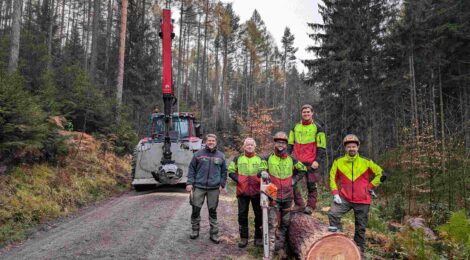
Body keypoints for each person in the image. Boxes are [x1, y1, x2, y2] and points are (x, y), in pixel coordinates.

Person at [328, 134, 385, 253]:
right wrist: (335, 193)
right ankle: (340, 242)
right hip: (344, 198)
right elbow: (332, 178)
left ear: (358, 147)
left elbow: (381, 174)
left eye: (353, 146)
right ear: (345, 148)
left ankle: (359, 252)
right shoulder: (338, 162)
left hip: (363, 200)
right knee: (333, 214)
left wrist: (370, 186)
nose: (351, 149)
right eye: (349, 147)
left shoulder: (366, 162)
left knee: (360, 228)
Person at [260, 131, 307, 258]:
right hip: (272, 195)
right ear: (274, 143)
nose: (280, 144)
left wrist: (294, 180)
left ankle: (279, 248)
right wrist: (263, 172)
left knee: (285, 224)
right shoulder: (267, 158)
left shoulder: (292, 159)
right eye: (278, 142)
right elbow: (262, 168)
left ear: (286, 145)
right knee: (272, 224)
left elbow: (303, 169)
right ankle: (268, 252)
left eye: (283, 142)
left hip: (287, 195)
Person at [186, 134, 228, 244]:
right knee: (196, 209)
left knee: (212, 211)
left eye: (213, 140)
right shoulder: (198, 154)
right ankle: (195, 230)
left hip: (214, 188)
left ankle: (214, 233)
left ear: (216, 142)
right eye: (209, 140)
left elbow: (224, 172)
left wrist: (222, 184)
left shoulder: (221, 156)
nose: (211, 142)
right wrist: (189, 183)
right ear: (205, 141)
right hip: (199, 187)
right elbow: (191, 169)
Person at [288, 104, 327, 214]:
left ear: (312, 113)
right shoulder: (295, 127)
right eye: (304, 112)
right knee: (291, 182)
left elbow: (322, 146)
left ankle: (310, 206)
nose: (306, 113)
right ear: (301, 113)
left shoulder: (318, 128)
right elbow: (290, 144)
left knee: (311, 185)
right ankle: (299, 204)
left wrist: (317, 160)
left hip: (311, 161)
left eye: (308, 112)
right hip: (297, 161)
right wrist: (286, 157)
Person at [228, 137, 266, 248]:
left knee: (259, 215)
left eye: (251, 145)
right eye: (247, 144)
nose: (249, 146)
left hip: (257, 191)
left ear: (255, 146)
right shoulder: (238, 158)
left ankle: (258, 238)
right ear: (244, 146)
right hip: (242, 191)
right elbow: (230, 171)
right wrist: (239, 180)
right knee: (242, 215)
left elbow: (264, 170)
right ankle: (244, 238)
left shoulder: (260, 158)